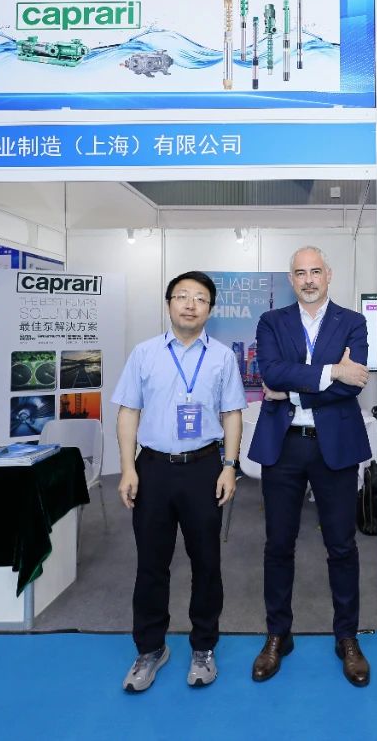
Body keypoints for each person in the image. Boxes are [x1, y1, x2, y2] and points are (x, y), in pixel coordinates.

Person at [246, 245, 373, 686]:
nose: (308, 280)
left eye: (315, 271)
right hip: (284, 447)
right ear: (291, 279)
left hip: (334, 446)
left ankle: (347, 638)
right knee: (278, 545)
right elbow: (271, 373)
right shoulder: (272, 321)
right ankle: (278, 635)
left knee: (342, 546)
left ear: (329, 274)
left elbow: (355, 384)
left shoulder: (352, 322)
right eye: (300, 273)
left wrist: (294, 390)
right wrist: (331, 372)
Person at [113, 271, 245, 693]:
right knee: (151, 564)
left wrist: (229, 465)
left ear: (210, 309)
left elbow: (232, 414)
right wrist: (128, 467)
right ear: (169, 303)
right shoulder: (144, 353)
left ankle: (203, 646)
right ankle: (150, 648)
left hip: (204, 468)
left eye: (200, 298)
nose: (191, 304)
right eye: (182, 296)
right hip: (152, 468)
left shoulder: (222, 357)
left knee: (207, 563)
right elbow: (128, 411)